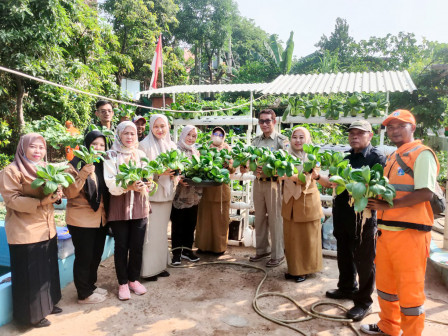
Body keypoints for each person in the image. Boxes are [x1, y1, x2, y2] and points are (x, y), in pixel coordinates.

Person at [361, 110, 438, 336]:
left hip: (410, 234)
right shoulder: (393, 157)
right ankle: (389, 326)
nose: (394, 130)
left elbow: (425, 194)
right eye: (390, 127)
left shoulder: (422, 154)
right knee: (386, 287)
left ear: (412, 128)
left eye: (400, 125)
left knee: (410, 291)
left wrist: (388, 206)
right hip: (386, 233)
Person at [322, 120, 386, 322]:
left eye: (360, 133)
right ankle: (347, 288)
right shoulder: (344, 156)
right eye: (352, 133)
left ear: (370, 135)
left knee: (365, 260)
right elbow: (332, 181)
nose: (354, 136)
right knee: (344, 255)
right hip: (342, 214)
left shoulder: (377, 158)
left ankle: (363, 302)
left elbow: (381, 187)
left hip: (364, 218)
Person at [0, 133, 63, 328]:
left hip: (47, 228)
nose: (38, 151)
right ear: (23, 148)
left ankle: (49, 304)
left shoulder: (46, 168)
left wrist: (58, 194)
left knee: (47, 270)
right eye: (33, 147)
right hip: (25, 230)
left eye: (41, 147)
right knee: (31, 275)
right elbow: (12, 200)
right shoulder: (11, 171)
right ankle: (31, 316)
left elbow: (55, 192)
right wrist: (42, 201)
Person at [104, 121, 149, 300]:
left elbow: (148, 175)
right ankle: (123, 283)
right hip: (119, 206)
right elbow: (111, 184)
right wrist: (130, 186)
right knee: (121, 246)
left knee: (137, 246)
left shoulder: (140, 154)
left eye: (132, 134)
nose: (130, 137)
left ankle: (133, 280)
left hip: (139, 205)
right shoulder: (111, 155)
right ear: (119, 135)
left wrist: (147, 183)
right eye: (126, 133)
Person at [64, 131, 110, 304]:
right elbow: (69, 192)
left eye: (101, 145)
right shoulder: (74, 164)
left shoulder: (101, 164)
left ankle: (90, 285)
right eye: (94, 144)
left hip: (100, 218)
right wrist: (82, 173)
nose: (98, 148)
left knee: (96, 255)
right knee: (84, 256)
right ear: (86, 145)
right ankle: (83, 294)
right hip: (81, 219)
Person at [244, 109, 289, 267]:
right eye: (261, 121)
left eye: (268, 121)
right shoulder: (256, 141)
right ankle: (262, 250)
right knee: (260, 217)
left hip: (274, 184)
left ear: (274, 122)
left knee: (276, 218)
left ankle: (278, 254)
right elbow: (249, 161)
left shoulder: (282, 141)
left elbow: (287, 163)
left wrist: (272, 170)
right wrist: (252, 168)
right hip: (258, 183)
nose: (265, 124)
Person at [281, 127, 323, 283]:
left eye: (301, 137)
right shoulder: (285, 155)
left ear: (307, 140)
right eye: (294, 137)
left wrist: (288, 175)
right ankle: (293, 269)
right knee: (292, 238)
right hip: (289, 202)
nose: (297, 141)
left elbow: (306, 178)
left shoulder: (313, 157)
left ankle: (304, 270)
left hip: (307, 202)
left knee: (306, 238)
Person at [139, 114, 177, 281]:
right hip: (152, 195)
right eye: (156, 126)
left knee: (161, 233)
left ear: (168, 127)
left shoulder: (171, 145)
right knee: (150, 234)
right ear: (151, 128)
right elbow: (141, 171)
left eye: (163, 126)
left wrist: (177, 173)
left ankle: (160, 266)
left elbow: (179, 166)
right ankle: (148, 270)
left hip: (167, 195)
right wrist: (157, 172)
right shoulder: (143, 145)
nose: (160, 129)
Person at [195, 127, 234, 254]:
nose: (217, 136)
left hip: (221, 190)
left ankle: (219, 247)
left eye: (220, 134)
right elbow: (198, 165)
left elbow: (233, 169)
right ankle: (203, 246)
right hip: (206, 190)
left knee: (220, 220)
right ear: (211, 135)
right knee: (204, 219)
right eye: (215, 134)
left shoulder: (228, 149)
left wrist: (227, 165)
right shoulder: (204, 148)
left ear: (224, 137)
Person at [171, 125, 203, 265]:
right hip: (179, 193)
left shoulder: (196, 152)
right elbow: (171, 170)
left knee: (191, 223)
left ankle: (187, 250)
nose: (191, 138)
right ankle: (176, 253)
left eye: (194, 136)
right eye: (188, 135)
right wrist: (178, 179)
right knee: (178, 224)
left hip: (193, 194)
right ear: (182, 134)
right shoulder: (175, 151)